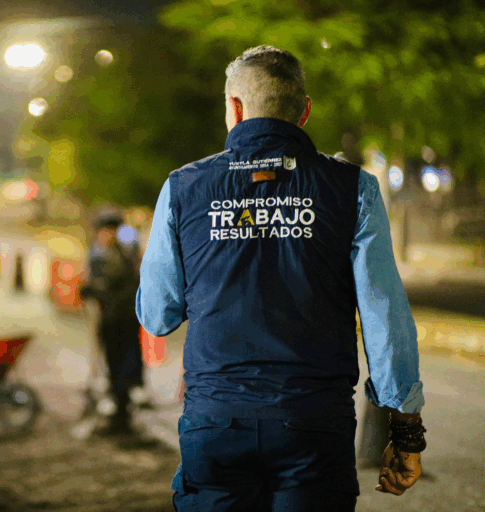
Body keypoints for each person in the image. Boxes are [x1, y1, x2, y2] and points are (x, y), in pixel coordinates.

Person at [136, 46, 426, 511]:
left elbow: (157, 315)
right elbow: (384, 316)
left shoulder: (183, 188)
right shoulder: (353, 188)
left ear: (233, 107)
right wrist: (407, 432)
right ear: (304, 112)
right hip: (313, 426)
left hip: (216, 423)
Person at [80, 209, 144, 435]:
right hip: (120, 320)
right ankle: (121, 413)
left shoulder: (115, 255)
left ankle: (121, 418)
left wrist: (91, 289)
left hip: (119, 321)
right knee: (118, 368)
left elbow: (114, 288)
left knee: (119, 368)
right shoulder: (121, 253)